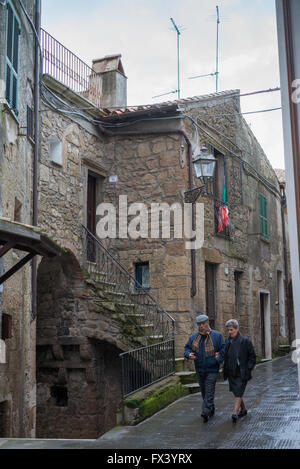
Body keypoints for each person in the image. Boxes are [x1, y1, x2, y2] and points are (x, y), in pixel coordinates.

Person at [184, 314, 226, 423]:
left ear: (208, 323)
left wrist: (218, 359)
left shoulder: (216, 336)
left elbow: (223, 349)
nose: (201, 326)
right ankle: (210, 408)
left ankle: (205, 411)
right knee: (204, 392)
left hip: (212, 369)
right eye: (199, 324)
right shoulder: (194, 337)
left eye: (203, 324)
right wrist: (189, 354)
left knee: (209, 390)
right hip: (199, 369)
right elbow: (187, 348)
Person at [223, 319, 256, 423]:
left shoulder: (245, 341)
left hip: (242, 371)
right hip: (231, 371)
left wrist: (248, 368)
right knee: (236, 391)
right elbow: (226, 355)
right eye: (228, 330)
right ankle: (244, 409)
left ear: (237, 329)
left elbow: (252, 356)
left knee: (238, 392)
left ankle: (235, 413)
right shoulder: (227, 341)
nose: (230, 332)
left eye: (231, 330)